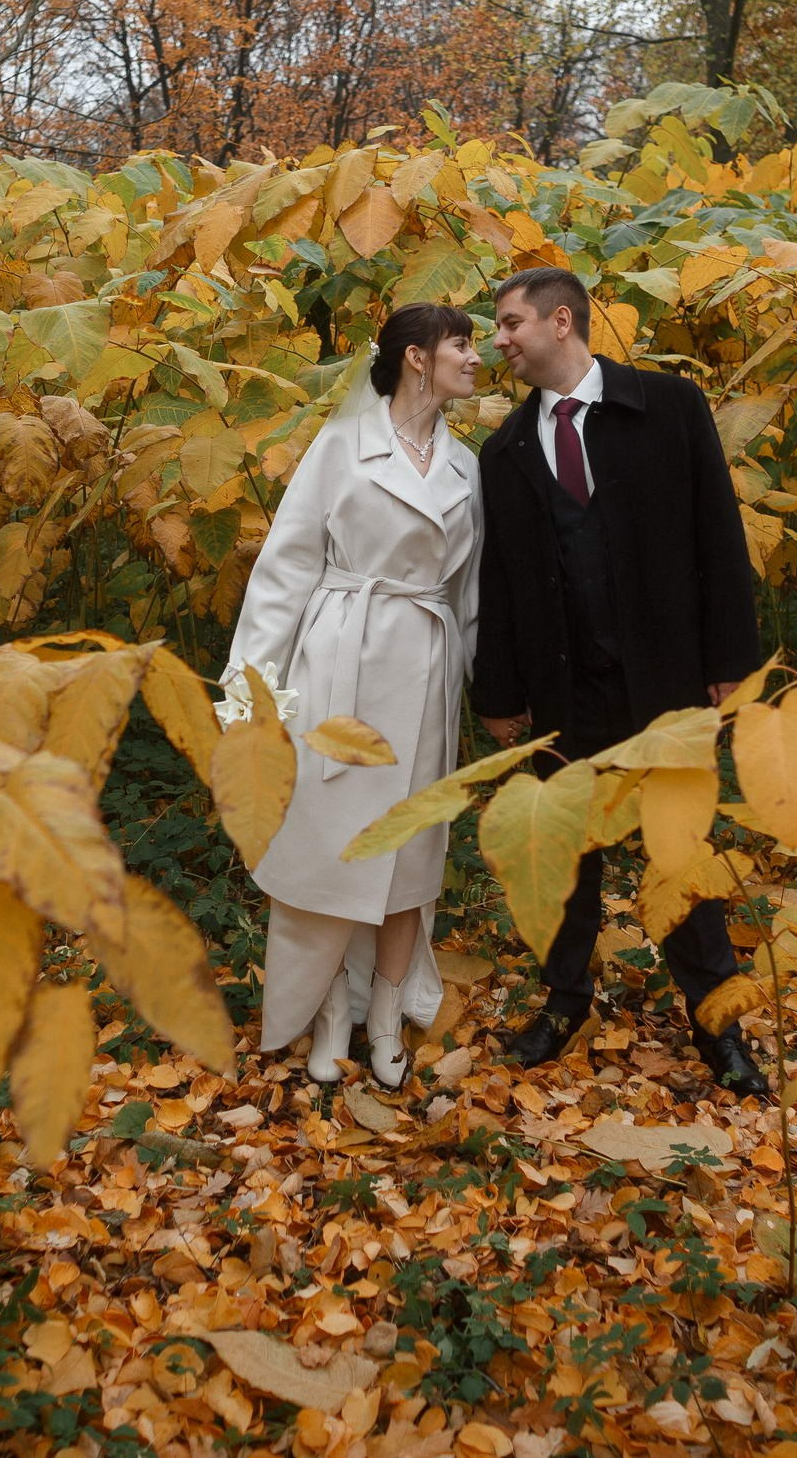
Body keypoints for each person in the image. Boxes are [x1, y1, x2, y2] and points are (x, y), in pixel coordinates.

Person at [470, 267, 774, 1101]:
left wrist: (728, 663)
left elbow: (718, 533)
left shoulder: (669, 407)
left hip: (666, 682)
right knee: (565, 862)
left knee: (683, 856)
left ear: (560, 321)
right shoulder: (505, 450)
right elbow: (500, 580)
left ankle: (719, 1026)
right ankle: (565, 1002)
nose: (500, 340)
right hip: (565, 692)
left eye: (508, 323)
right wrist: (499, 692)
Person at [223, 303, 484, 1088]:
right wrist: (250, 697)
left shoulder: (468, 466)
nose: (476, 358)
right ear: (415, 357)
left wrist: (480, 687)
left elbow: (469, 593)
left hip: (428, 669)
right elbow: (283, 573)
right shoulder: (341, 446)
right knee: (329, 842)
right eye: (461, 345)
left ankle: (385, 1014)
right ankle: (329, 1011)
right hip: (340, 660)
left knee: (411, 849)